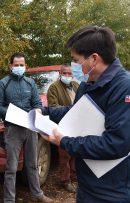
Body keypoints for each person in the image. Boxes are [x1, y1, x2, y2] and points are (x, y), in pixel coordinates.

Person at [42, 26, 130, 202]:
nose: (74, 66)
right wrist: (44, 112)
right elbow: (76, 113)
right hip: (87, 185)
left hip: (115, 192)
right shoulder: (88, 84)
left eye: (76, 60)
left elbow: (116, 144)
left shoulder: (129, 88)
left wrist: (65, 141)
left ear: (94, 58)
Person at [0, 52, 53, 203]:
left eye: (22, 65)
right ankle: (9, 200)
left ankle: (38, 194)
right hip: (13, 129)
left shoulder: (30, 83)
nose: (19, 67)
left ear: (26, 66)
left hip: (31, 128)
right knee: (11, 168)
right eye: (16, 65)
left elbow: (37, 103)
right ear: (10, 66)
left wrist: (38, 110)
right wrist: (13, 115)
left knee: (32, 163)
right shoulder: (3, 83)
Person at [46, 65, 79, 193]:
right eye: (64, 73)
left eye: (69, 73)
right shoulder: (53, 87)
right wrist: (71, 111)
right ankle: (65, 180)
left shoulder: (76, 85)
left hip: (77, 124)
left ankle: (74, 176)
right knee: (65, 155)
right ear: (60, 74)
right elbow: (53, 108)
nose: (67, 75)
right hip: (63, 124)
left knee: (76, 151)